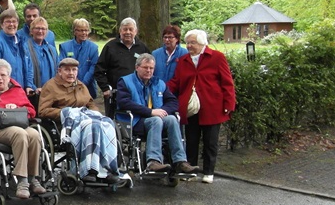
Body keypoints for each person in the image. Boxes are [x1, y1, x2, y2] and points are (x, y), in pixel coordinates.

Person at [167, 29, 236, 184]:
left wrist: (229, 103)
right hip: (190, 107)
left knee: (210, 141)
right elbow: (176, 82)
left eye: (193, 42)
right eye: (188, 42)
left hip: (212, 106)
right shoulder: (184, 60)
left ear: (202, 43)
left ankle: (208, 171)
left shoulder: (217, 57)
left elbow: (227, 82)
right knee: (191, 139)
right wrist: (160, 89)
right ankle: (190, 169)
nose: (189, 46)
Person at [38, 58, 121, 184]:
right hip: (63, 126)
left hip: (85, 120)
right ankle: (89, 169)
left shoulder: (80, 85)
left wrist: (94, 113)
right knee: (91, 125)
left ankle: (108, 167)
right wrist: (66, 113)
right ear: (59, 71)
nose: (71, 73)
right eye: (67, 70)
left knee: (107, 123)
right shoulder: (51, 86)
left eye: (74, 70)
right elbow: (43, 111)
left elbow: (90, 103)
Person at [116, 54, 201, 174]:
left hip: (157, 119)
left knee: (171, 119)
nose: (148, 70)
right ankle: (153, 161)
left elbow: (172, 101)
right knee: (156, 120)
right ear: (137, 67)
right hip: (135, 121)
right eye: (145, 67)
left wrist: (163, 110)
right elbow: (124, 102)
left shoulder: (158, 83)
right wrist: (150, 112)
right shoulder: (125, 81)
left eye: (151, 68)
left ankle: (180, 161)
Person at [0, 59, 46, 199]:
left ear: (9, 76)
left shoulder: (17, 90)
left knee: (35, 134)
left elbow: (31, 111)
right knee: (20, 134)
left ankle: (32, 178)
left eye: (3, 75)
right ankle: (22, 181)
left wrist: (18, 109)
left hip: (20, 126)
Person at [94, 17, 150, 116]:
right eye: (125, 29)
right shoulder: (110, 47)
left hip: (138, 93)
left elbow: (150, 68)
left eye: (130, 29)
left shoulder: (142, 48)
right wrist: (105, 88)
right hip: (115, 94)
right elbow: (99, 69)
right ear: (120, 31)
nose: (127, 32)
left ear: (135, 31)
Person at [0, 9, 34, 94]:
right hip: (4, 93)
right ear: (1, 25)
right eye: (8, 21)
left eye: (14, 21)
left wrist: (29, 85)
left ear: (18, 24)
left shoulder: (22, 42)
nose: (11, 24)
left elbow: (29, 67)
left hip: (21, 92)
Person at [59, 18, 100, 98]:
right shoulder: (65, 47)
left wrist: (82, 83)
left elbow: (93, 67)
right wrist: (71, 82)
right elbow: (61, 65)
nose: (84, 33)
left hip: (88, 88)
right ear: (75, 31)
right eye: (81, 30)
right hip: (68, 87)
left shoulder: (93, 48)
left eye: (86, 30)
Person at [25, 16, 57, 95]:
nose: (40, 31)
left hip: (51, 92)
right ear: (31, 31)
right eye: (37, 28)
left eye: (43, 29)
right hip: (33, 93)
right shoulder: (25, 48)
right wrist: (34, 88)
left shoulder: (52, 49)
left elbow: (58, 70)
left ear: (47, 32)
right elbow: (24, 71)